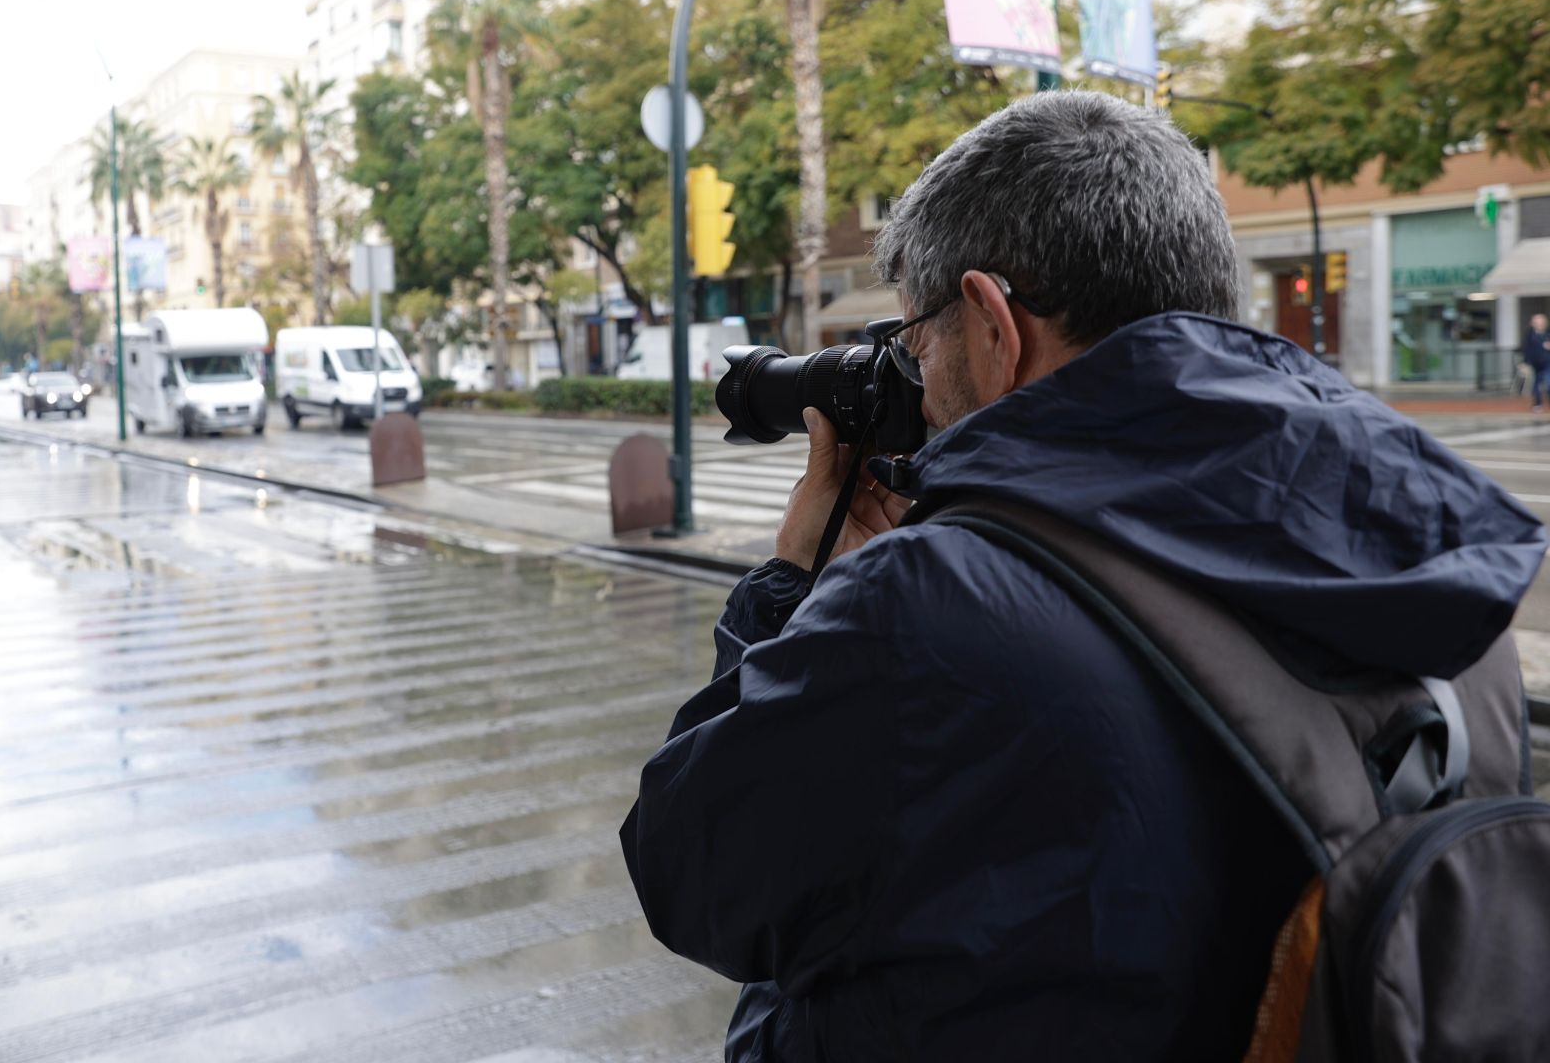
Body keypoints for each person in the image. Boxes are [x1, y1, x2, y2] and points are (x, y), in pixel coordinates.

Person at [619, 91, 1543, 1060]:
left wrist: (793, 583)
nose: (912, 376)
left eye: (916, 335)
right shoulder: (1439, 545)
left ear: (991, 320)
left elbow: (695, 874)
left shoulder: (931, 602)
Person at [1523, 312, 1550, 411]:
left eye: (1541, 322)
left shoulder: (1548, 332)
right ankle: (1538, 403)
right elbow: (1526, 349)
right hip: (1535, 363)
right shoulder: (1529, 335)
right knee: (1536, 384)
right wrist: (1525, 362)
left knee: (1548, 382)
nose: (1540, 324)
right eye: (1537, 322)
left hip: (1548, 362)